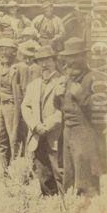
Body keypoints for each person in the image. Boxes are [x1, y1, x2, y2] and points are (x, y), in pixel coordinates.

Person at [57, 37, 107, 197]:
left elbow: (101, 108)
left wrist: (80, 94)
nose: (70, 61)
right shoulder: (68, 78)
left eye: (74, 56)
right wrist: (57, 96)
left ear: (83, 57)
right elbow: (61, 107)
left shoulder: (94, 78)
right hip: (68, 131)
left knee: (85, 178)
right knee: (69, 176)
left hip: (85, 133)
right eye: (68, 57)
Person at [21, 46, 64, 196]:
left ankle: (66, 205)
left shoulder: (62, 82)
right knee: (43, 172)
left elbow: (63, 110)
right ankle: (49, 205)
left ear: (54, 60)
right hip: (37, 135)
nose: (44, 64)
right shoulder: (33, 85)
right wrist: (35, 125)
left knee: (59, 171)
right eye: (41, 61)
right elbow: (25, 106)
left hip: (56, 135)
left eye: (47, 60)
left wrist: (47, 126)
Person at [0, 38, 20, 167]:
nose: (3, 53)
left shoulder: (16, 68)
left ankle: (16, 166)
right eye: (1, 50)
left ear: (12, 52)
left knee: (14, 136)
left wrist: (6, 97)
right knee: (0, 136)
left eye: (6, 50)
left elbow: (19, 93)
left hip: (11, 106)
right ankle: (3, 167)